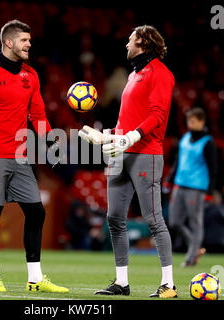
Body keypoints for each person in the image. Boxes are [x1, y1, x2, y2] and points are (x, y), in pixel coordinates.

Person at [0, 20, 68, 293]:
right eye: (24, 40)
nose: (29, 44)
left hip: (22, 157)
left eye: (29, 40)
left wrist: (48, 144)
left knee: (36, 212)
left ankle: (35, 278)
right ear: (9, 42)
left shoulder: (31, 75)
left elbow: (38, 115)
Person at [79, 25, 176, 298]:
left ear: (143, 42)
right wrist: (108, 136)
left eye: (130, 40)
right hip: (122, 152)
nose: (126, 45)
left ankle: (168, 285)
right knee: (114, 218)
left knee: (154, 218)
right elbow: (129, 118)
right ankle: (122, 283)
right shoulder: (135, 74)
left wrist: (133, 136)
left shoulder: (161, 73)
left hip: (146, 152)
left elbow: (158, 114)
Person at [165, 108, 217, 267]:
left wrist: (210, 191)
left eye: (194, 121)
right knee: (174, 222)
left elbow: (213, 168)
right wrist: (170, 179)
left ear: (202, 122)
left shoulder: (208, 142)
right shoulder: (185, 138)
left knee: (195, 222)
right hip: (180, 184)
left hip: (196, 187)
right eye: (189, 121)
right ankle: (195, 247)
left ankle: (192, 257)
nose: (190, 124)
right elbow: (177, 161)